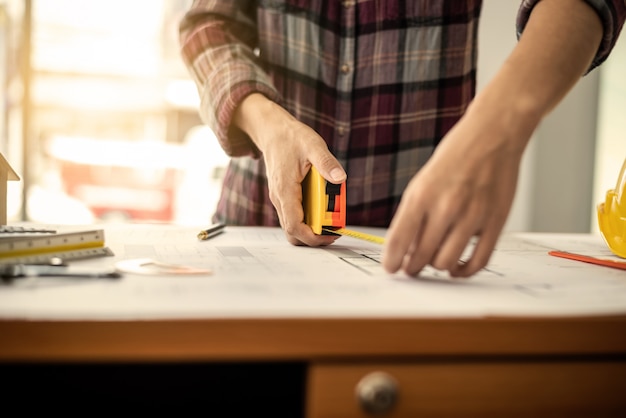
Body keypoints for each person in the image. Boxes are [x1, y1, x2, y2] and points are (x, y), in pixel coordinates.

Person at [179, 0, 625, 278]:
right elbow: (206, 25)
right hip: (257, 226)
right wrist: (269, 125)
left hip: (425, 250)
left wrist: (499, 127)